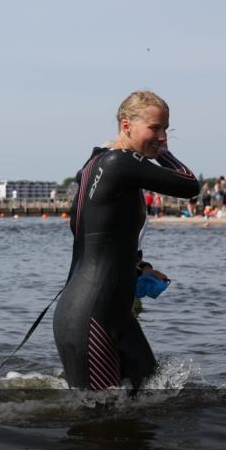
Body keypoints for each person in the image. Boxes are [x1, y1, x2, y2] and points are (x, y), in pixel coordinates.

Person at [52, 90, 199, 392]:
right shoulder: (121, 162)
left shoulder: (97, 164)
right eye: (155, 128)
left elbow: (100, 237)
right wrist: (164, 154)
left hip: (111, 310)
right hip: (91, 315)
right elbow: (189, 184)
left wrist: (136, 267)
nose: (162, 137)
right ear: (126, 125)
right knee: (101, 422)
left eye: (166, 129)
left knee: (147, 398)